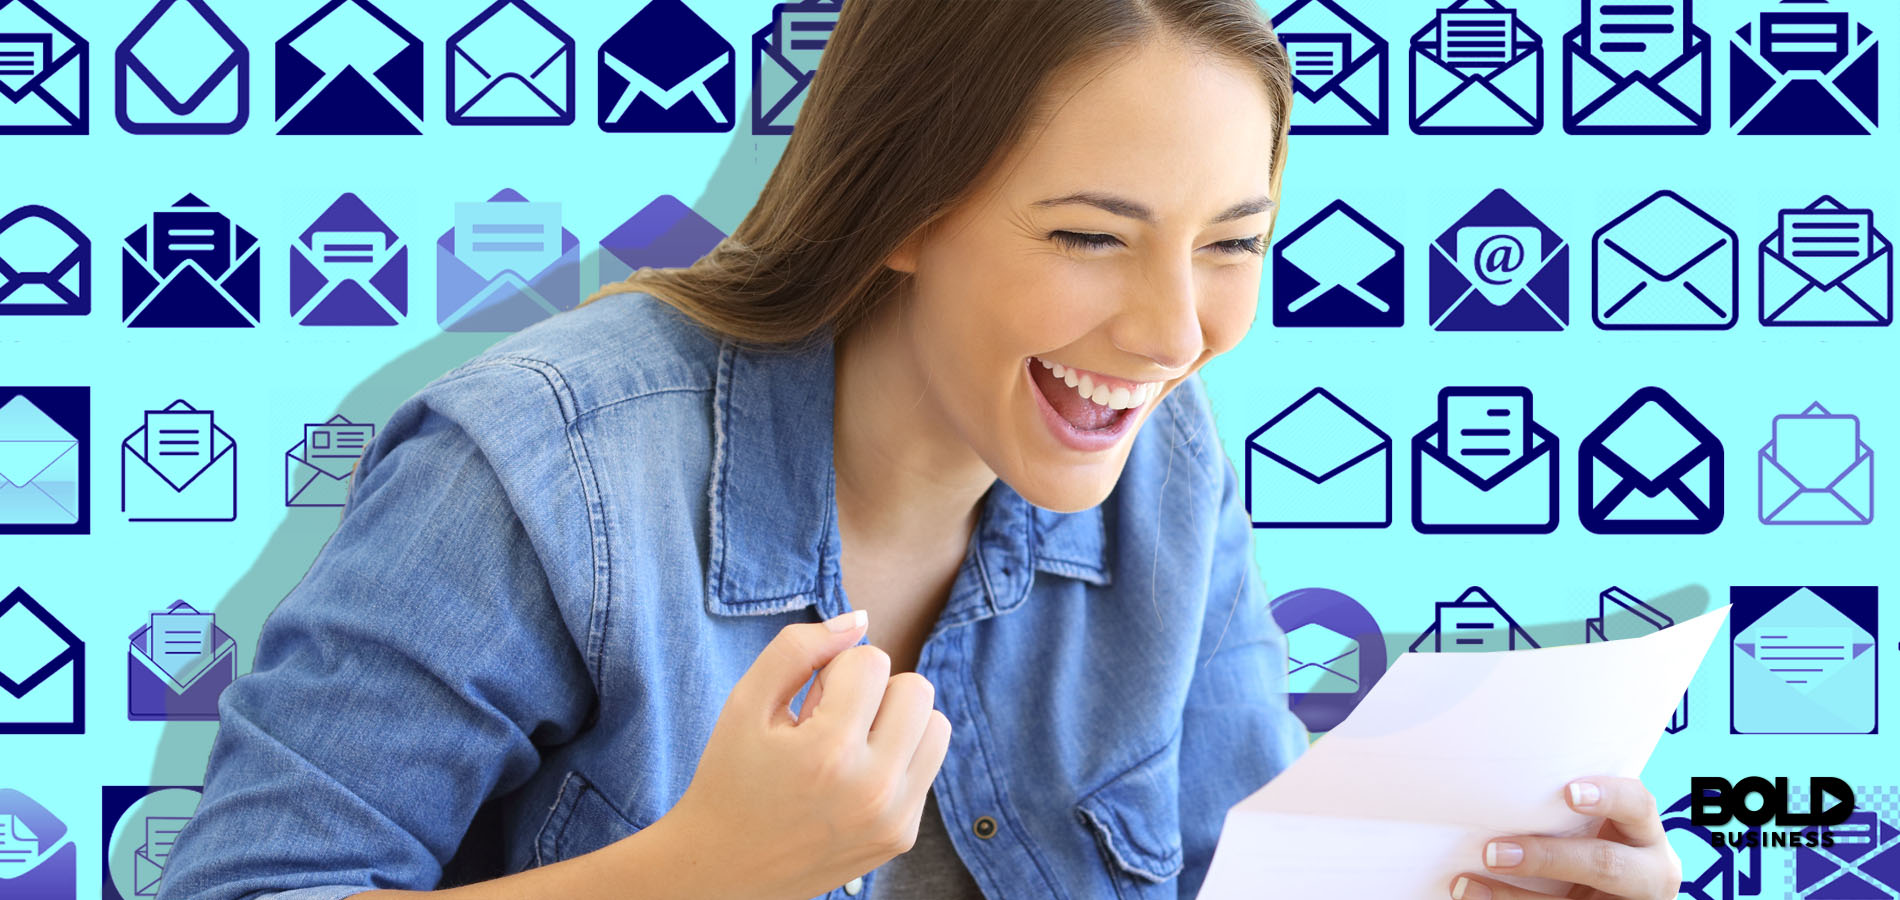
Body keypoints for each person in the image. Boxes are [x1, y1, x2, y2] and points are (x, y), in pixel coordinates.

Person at [158, 1, 1682, 899]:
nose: (1173, 332)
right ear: (903, 209)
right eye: (1091, 237)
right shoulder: (545, 472)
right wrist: (697, 870)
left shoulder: (1166, 466)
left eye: (1233, 244)